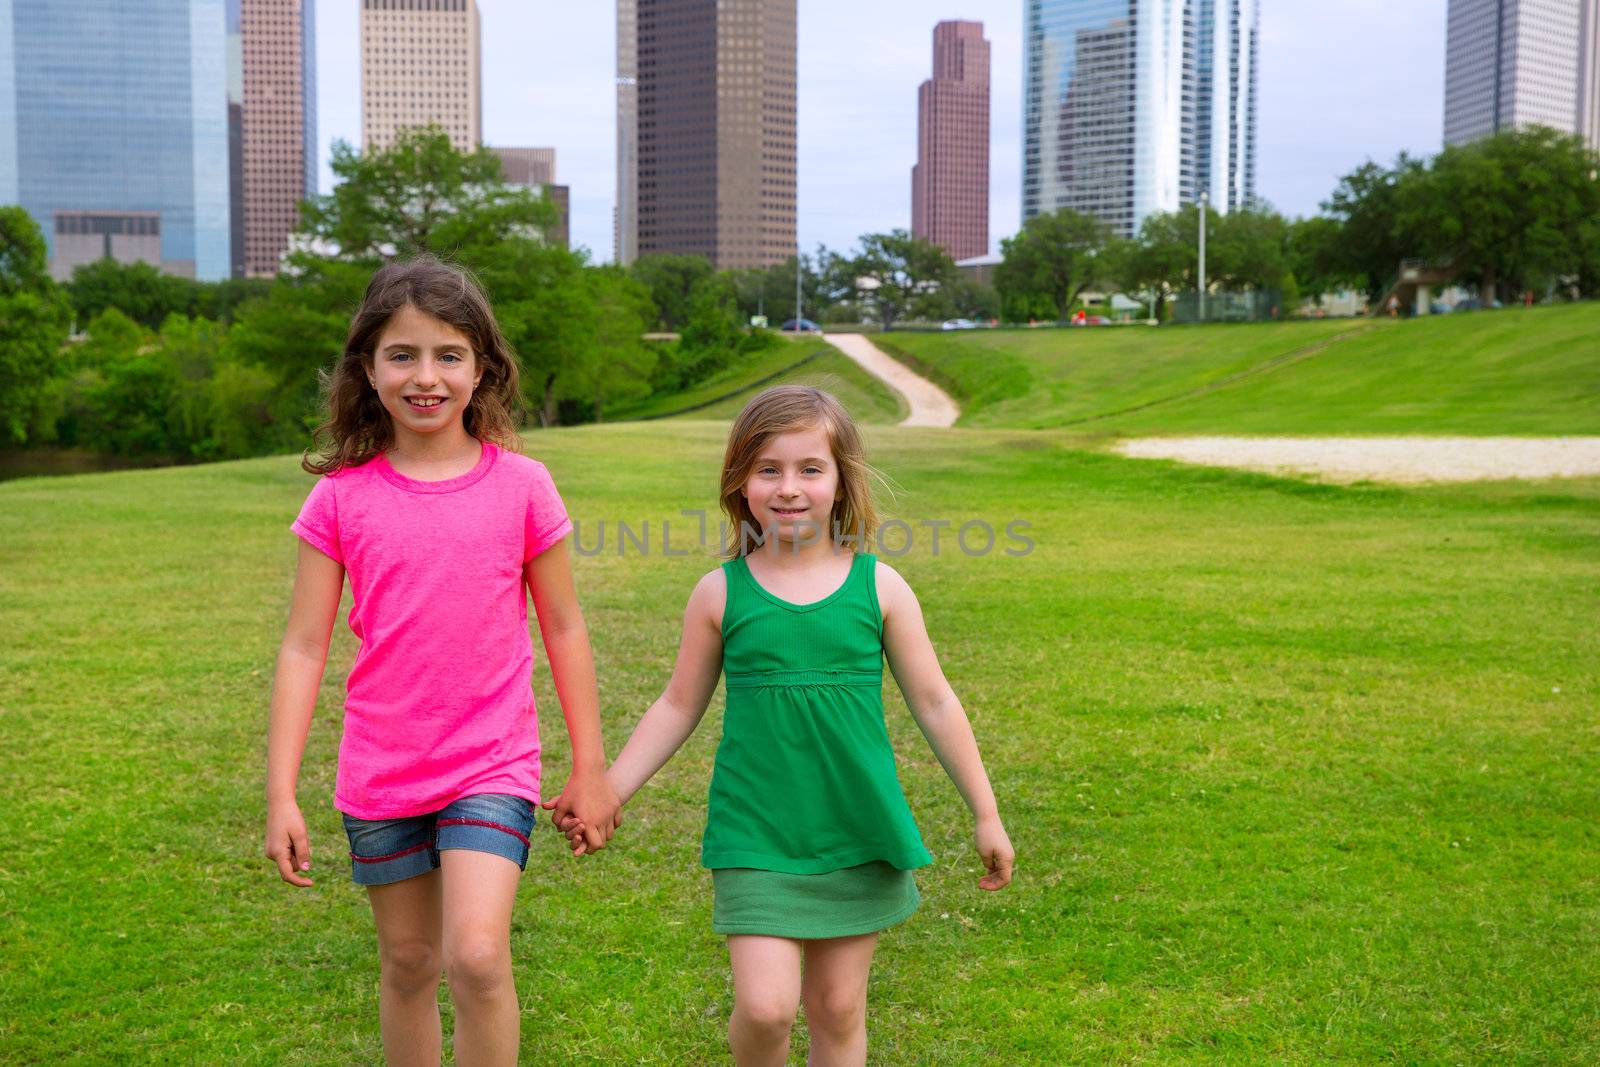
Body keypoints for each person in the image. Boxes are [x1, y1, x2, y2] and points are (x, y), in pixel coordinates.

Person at [559, 386, 1014, 1066]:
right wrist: (610, 788)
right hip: (758, 832)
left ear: (841, 480)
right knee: (767, 1009)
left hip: (855, 827)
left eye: (810, 468)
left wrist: (985, 811)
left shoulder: (880, 586)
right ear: (741, 481)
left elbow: (936, 701)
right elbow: (677, 705)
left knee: (836, 1007)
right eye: (768, 468)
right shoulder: (720, 592)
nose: (789, 487)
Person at [263, 256, 620, 1067]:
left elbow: (563, 627)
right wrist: (280, 792)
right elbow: (303, 645)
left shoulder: (524, 485)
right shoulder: (340, 498)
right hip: (381, 772)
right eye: (403, 354)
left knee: (478, 955)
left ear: (482, 367)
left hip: (491, 761)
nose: (426, 377)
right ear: (368, 367)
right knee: (410, 962)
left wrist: (591, 766)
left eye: (448, 355)